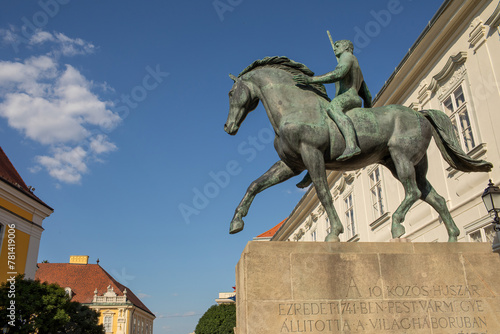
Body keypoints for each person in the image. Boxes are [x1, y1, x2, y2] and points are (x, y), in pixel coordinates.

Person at [294, 39, 372, 162]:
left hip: (348, 97)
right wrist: (369, 112)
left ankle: (352, 145)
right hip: (351, 98)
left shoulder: (347, 56)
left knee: (332, 108)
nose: (335, 48)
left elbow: (338, 74)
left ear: (346, 47)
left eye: (337, 46)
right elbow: (367, 94)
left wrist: (311, 80)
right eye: (334, 46)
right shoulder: (354, 66)